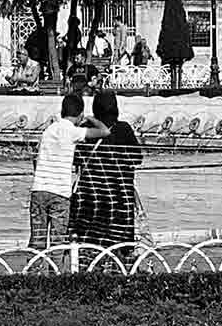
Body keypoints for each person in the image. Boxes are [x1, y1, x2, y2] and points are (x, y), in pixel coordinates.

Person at [69, 88, 142, 262]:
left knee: (90, 243)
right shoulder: (123, 129)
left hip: (90, 194)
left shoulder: (86, 129)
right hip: (120, 194)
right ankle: (120, 267)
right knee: (119, 242)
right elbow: (137, 158)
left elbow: (76, 159)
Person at [30, 91, 92, 249]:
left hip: (39, 190)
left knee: (37, 241)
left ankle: (35, 265)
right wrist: (90, 119)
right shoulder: (73, 131)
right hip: (60, 193)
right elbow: (104, 131)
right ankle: (56, 265)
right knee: (58, 243)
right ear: (80, 114)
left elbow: (35, 158)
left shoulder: (48, 130)